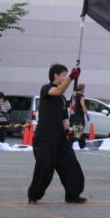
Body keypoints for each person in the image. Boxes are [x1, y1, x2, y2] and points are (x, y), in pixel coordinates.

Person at [27, 64, 87, 205]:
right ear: (55, 75)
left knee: (71, 164)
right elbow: (58, 90)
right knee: (45, 168)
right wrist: (71, 77)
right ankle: (33, 196)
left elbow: (64, 119)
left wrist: (68, 131)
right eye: (63, 75)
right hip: (45, 137)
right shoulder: (46, 89)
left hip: (60, 138)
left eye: (66, 75)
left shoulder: (62, 99)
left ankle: (73, 195)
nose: (65, 78)